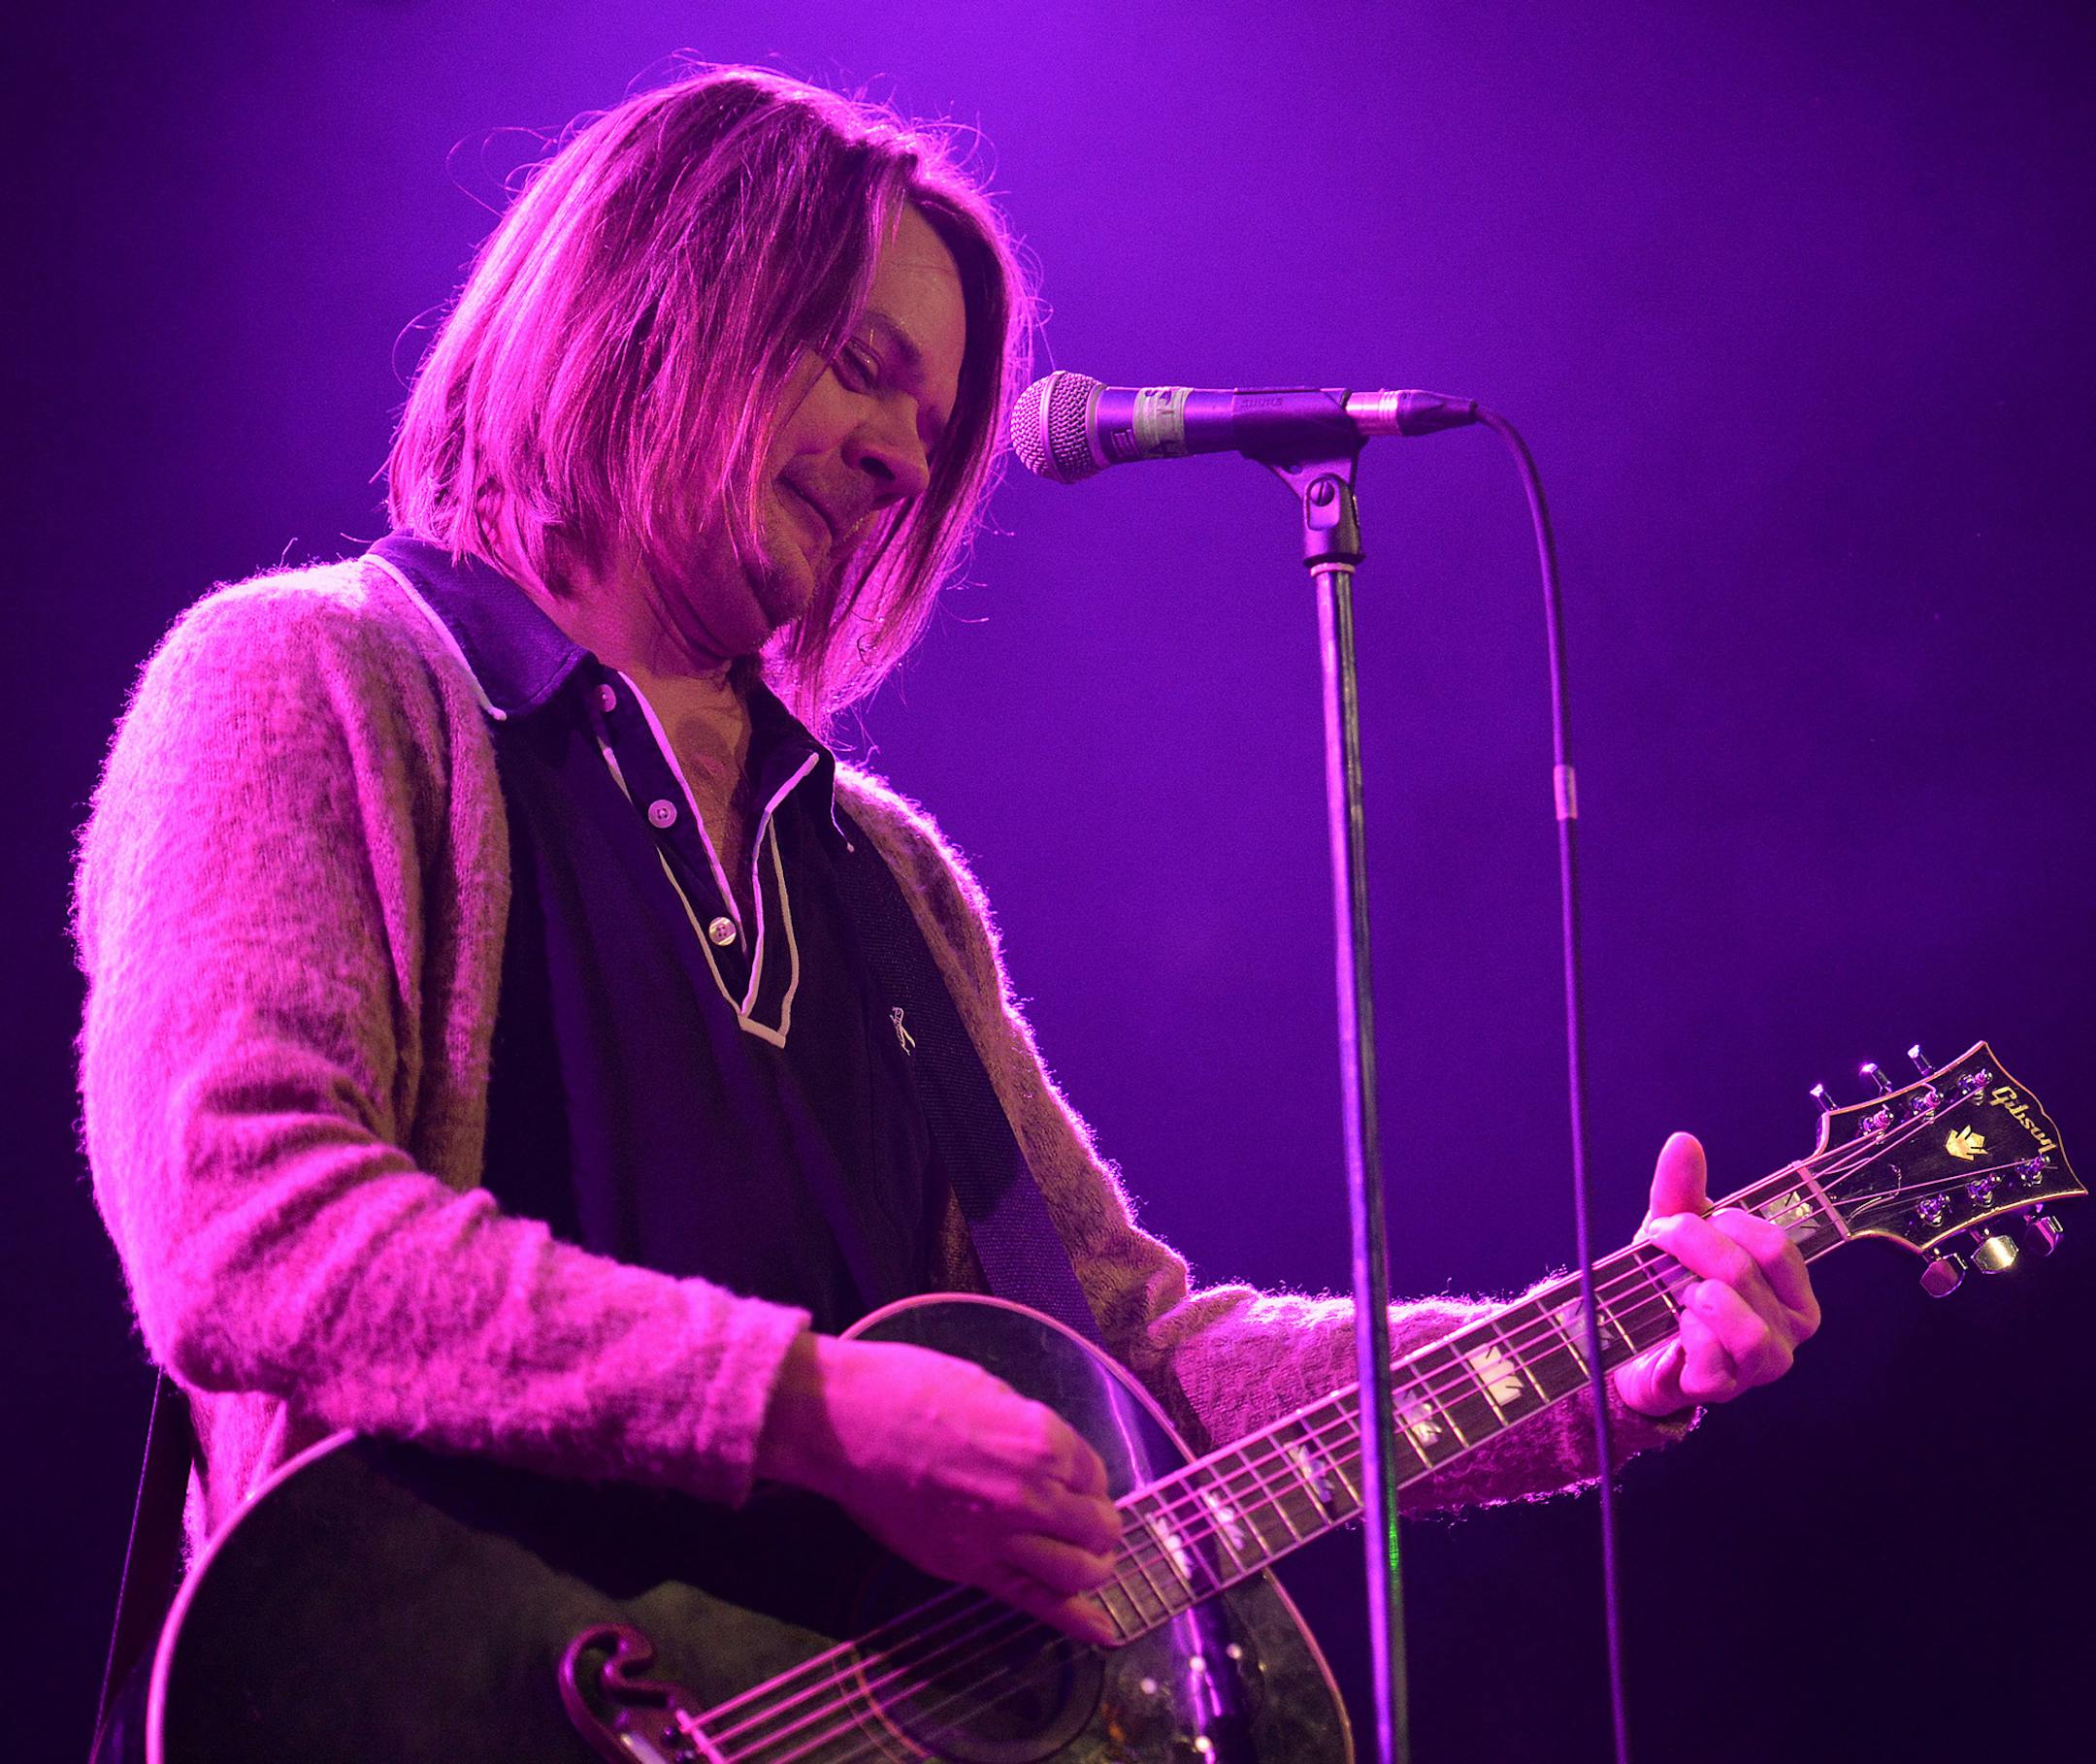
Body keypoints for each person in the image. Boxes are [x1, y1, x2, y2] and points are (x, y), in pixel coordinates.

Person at [75, 66, 1819, 1656]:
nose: (911, 455)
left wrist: (1602, 1357)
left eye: (936, 414)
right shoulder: (309, 682)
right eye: (861, 362)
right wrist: (822, 1408)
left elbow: (1142, 1361)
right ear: (655, 306)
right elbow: (251, 1228)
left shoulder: (885, 880)